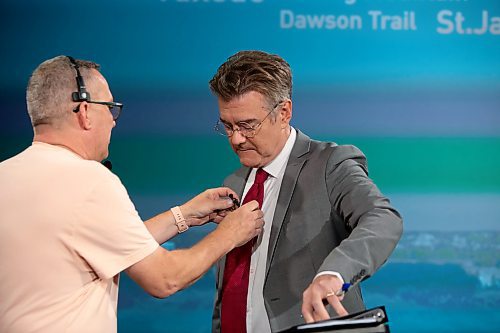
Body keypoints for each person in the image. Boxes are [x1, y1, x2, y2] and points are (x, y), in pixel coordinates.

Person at [0, 55, 264, 333]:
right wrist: (230, 233)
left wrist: (183, 215)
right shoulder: (89, 180)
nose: (113, 122)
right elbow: (165, 278)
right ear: (85, 111)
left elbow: (110, 244)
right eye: (110, 108)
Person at [209, 50, 403, 333]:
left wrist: (333, 274)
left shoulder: (330, 164)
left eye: (247, 126)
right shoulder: (234, 182)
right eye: (227, 126)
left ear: (284, 111)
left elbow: (383, 218)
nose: (236, 139)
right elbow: (230, 289)